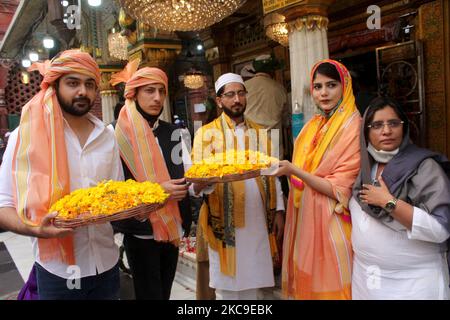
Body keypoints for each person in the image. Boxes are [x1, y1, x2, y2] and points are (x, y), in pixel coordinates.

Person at [0, 49, 123, 299]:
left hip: (107, 262)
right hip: (58, 271)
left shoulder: (107, 136)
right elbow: (4, 206)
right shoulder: (25, 136)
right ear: (54, 86)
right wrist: (37, 229)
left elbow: (116, 193)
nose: (82, 92)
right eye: (72, 83)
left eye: (89, 84)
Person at [191, 73, 285, 300]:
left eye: (241, 93)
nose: (237, 100)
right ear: (219, 100)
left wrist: (279, 210)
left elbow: (274, 173)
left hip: (257, 220)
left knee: (255, 288)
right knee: (227, 289)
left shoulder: (261, 132)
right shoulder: (206, 134)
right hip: (225, 223)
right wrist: (204, 181)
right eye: (230, 94)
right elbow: (196, 183)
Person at [272, 59, 361, 299]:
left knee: (334, 287)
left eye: (331, 85)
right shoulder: (314, 124)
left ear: (345, 86)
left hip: (335, 222)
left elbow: (337, 188)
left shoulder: (353, 126)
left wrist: (294, 171)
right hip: (305, 219)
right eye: (318, 86)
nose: (323, 93)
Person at [350, 96, 450, 299]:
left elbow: (440, 230)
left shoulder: (425, 167)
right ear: (366, 133)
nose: (386, 131)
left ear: (403, 128)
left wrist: (387, 201)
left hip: (414, 284)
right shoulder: (367, 170)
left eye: (393, 123)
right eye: (377, 125)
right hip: (366, 281)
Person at [109, 59, 192, 300]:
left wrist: (200, 184)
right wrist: (158, 191)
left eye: (161, 91)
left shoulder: (175, 132)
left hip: (173, 228)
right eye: (149, 90)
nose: (157, 98)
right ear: (133, 94)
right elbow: (112, 189)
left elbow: (189, 173)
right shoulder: (115, 135)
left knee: (164, 292)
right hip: (140, 232)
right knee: (148, 294)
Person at [244, 54, 288, 159]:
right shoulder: (280, 89)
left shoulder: (244, 87)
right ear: (272, 71)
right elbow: (285, 118)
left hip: (249, 141)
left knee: (252, 173)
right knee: (273, 174)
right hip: (273, 142)